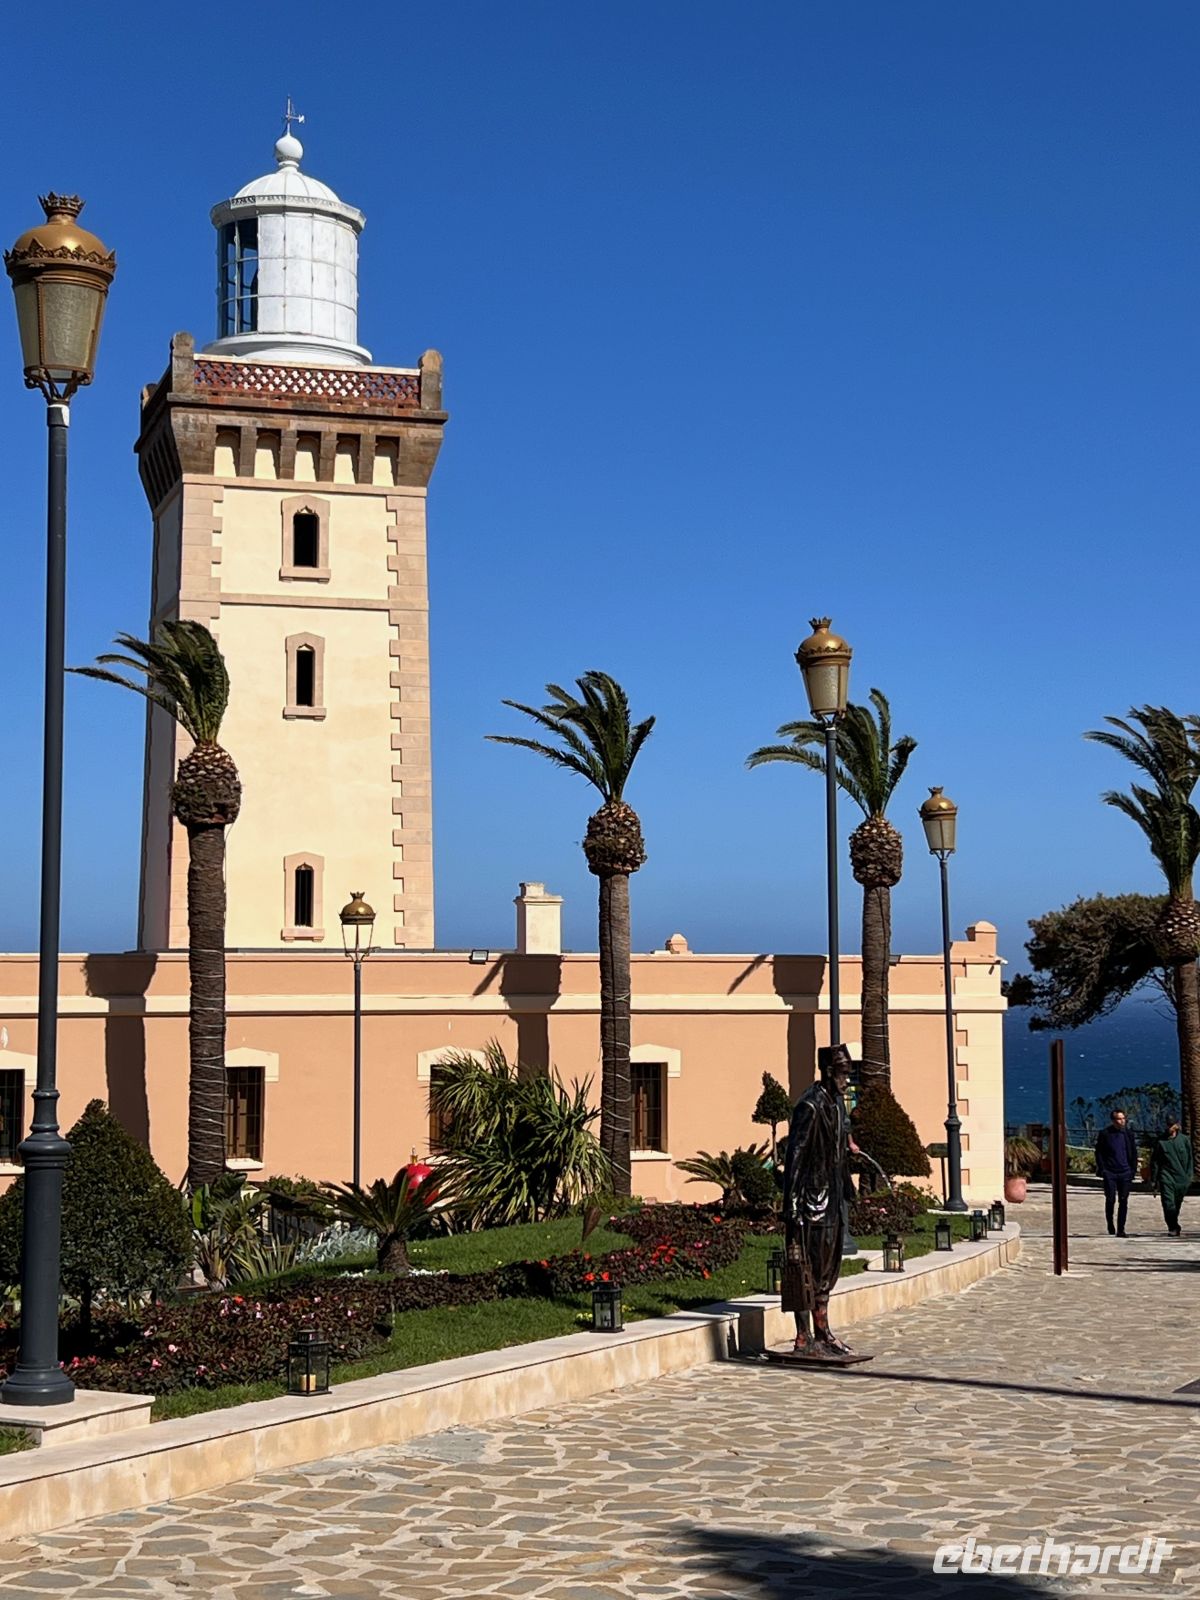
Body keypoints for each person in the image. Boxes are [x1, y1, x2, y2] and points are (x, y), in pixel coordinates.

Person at [782, 1042, 857, 1356]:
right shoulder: (809, 1106)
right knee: (805, 1269)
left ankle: (823, 1332)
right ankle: (803, 1337)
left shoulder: (837, 1106)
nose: (846, 1081)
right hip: (811, 1203)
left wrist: (848, 1187)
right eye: (842, 1074)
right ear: (828, 1071)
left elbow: (839, 1151)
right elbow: (795, 1157)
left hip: (833, 1200)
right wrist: (791, 1204)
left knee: (827, 1270)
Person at [1094, 1108, 1138, 1237]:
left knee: (1123, 1200)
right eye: (1119, 1119)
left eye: (1123, 1118)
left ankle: (1121, 1229)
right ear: (1113, 1120)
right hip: (1110, 1172)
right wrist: (1103, 1169)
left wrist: (1133, 1170)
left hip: (1125, 1172)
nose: (1122, 1121)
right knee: (1110, 1199)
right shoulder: (1105, 1134)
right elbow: (1099, 1152)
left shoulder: (1128, 1134)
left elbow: (1133, 1152)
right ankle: (1110, 1223)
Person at [1150, 1121, 1193, 1237]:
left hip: (1182, 1178)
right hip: (1166, 1176)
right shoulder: (1160, 1141)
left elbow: (1190, 1159)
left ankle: (1174, 1223)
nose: (1169, 1128)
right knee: (1168, 1203)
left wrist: (1189, 1176)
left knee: (1176, 1203)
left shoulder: (1184, 1140)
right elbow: (1155, 1162)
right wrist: (1154, 1180)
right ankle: (1172, 1227)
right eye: (1167, 1125)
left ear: (1177, 1126)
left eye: (1171, 1125)